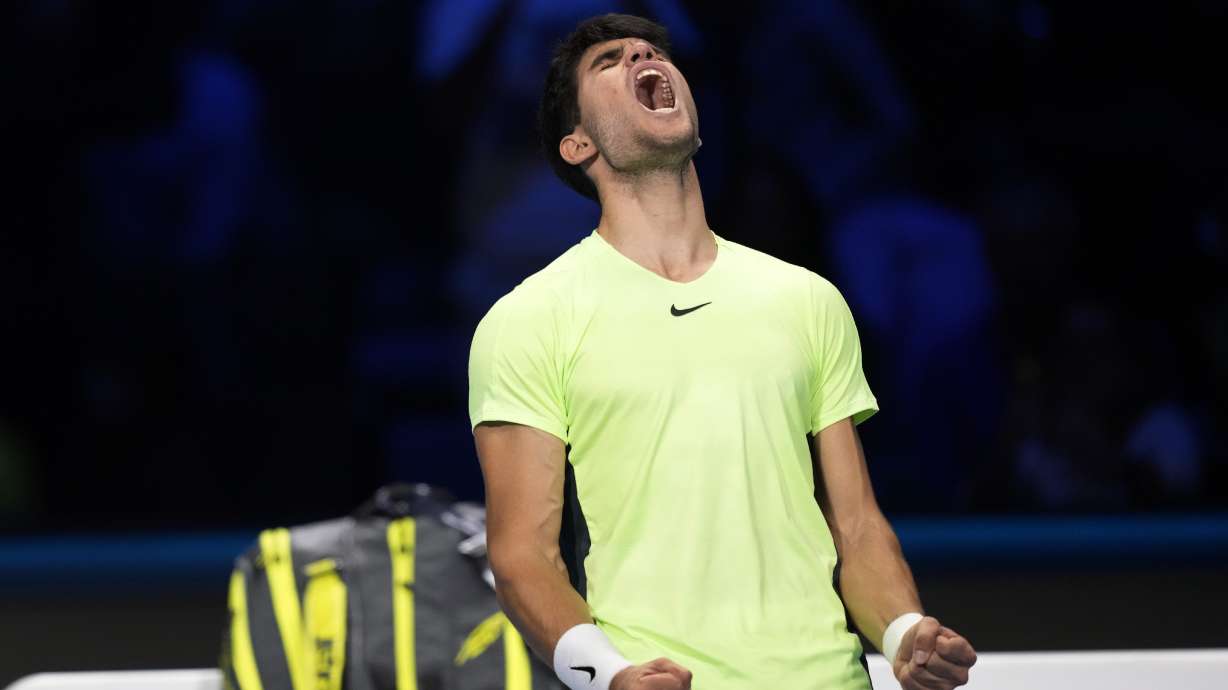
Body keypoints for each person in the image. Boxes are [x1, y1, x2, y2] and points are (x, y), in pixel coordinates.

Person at [467, 13, 977, 690]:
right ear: (578, 144)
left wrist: (903, 630)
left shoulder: (807, 299)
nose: (644, 55)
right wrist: (609, 677)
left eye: (650, 50)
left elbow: (856, 527)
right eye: (610, 60)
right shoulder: (529, 320)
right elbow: (522, 556)